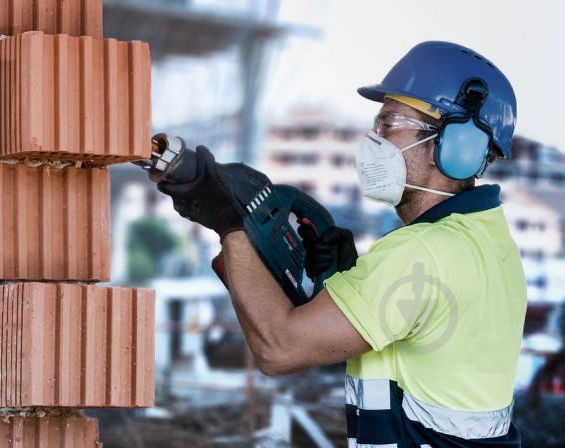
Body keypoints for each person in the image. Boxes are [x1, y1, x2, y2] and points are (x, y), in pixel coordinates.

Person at [157, 41, 526, 446]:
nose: (373, 140)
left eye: (389, 125)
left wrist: (230, 224)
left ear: (458, 146)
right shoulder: (489, 241)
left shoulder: (420, 253)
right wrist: (344, 281)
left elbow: (279, 349)